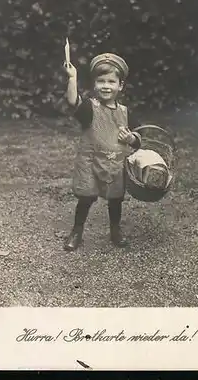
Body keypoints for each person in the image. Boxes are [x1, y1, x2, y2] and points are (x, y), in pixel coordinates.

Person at [63, 53, 141, 251]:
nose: (106, 86)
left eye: (111, 81)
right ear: (95, 84)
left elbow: (140, 136)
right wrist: (72, 78)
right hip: (90, 163)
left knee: (115, 199)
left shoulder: (125, 112)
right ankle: (77, 231)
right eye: (101, 81)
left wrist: (131, 138)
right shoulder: (90, 107)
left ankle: (115, 231)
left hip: (115, 165)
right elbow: (73, 102)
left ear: (120, 85)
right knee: (86, 197)